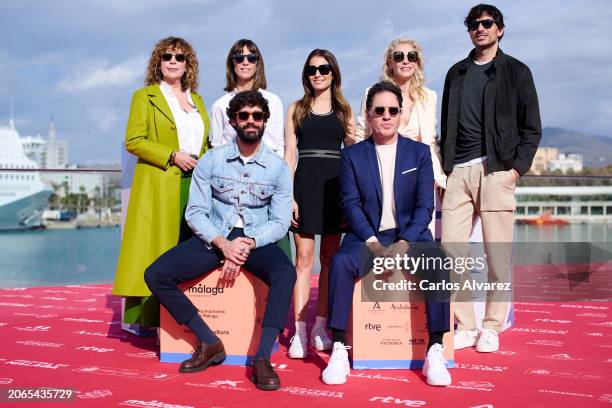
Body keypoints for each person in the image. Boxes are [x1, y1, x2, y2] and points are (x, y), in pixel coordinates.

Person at [144, 91, 296, 391]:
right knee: (156, 274)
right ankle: (209, 341)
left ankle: (263, 358)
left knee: (285, 272)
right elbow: (196, 212)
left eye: (257, 116)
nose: (250, 121)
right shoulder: (212, 160)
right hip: (215, 235)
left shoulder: (278, 168)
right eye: (244, 116)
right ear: (233, 121)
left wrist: (248, 243)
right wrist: (222, 243)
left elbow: (279, 222)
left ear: (265, 122)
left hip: (255, 239)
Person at [322, 81, 451, 387]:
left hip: (411, 235)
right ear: (368, 114)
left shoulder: (419, 154)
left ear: (402, 114)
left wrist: (405, 242)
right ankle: (339, 347)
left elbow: (424, 205)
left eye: (393, 110)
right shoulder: (352, 156)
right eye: (379, 110)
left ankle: (435, 348)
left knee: (439, 264)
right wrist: (374, 244)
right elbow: (350, 205)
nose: (386, 116)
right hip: (366, 236)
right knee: (340, 264)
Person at [440, 4, 541, 352]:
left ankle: (492, 326)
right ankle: (466, 326)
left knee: (497, 256)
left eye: (487, 23)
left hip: (497, 171)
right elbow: (446, 126)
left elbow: (532, 128)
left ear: (499, 29)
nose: (480, 28)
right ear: (469, 30)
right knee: (451, 252)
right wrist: (448, 168)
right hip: (459, 174)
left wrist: (515, 169)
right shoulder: (456, 73)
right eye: (474, 24)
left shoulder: (517, 72)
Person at [113, 36, 210, 328]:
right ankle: (153, 320)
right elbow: (134, 140)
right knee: (159, 250)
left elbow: (205, 144)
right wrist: (171, 155)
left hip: (196, 182)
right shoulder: (145, 97)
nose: (172, 61)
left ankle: (189, 320)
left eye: (179, 57)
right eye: (167, 56)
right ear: (158, 61)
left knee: (191, 248)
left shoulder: (198, 101)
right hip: (161, 182)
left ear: (187, 64)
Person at [284, 49, 355, 358]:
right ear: (306, 74)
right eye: (312, 69)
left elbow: (352, 152)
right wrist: (288, 196)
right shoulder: (296, 109)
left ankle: (319, 327)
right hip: (304, 185)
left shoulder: (344, 110)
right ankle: (298, 331)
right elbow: (289, 154)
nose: (318, 73)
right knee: (303, 258)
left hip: (335, 188)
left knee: (329, 259)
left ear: (333, 72)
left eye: (324, 68)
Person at [209, 39, 291, 257]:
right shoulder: (219, 105)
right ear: (232, 63)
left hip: (267, 182)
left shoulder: (272, 101)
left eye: (251, 57)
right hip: (230, 190)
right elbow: (216, 149)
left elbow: (278, 147)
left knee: (276, 250)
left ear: (258, 63)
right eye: (239, 57)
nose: (245, 62)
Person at [355, 38, 446, 221]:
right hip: (381, 172)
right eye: (399, 56)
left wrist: (439, 175)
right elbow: (361, 134)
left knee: (419, 233)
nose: (406, 61)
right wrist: (361, 174)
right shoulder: (371, 93)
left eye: (411, 56)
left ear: (417, 63)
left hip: (419, 175)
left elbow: (430, 141)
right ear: (390, 62)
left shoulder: (429, 97)